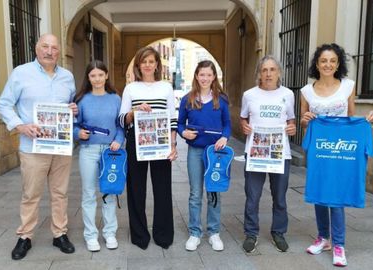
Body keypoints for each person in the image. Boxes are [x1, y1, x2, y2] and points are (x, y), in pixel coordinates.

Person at [0, 34, 78, 260]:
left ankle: (59, 233)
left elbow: (71, 106)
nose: (49, 51)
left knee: (60, 193)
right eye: (45, 46)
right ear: (36, 48)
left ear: (59, 52)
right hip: (32, 147)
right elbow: (4, 104)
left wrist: (73, 109)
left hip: (60, 147)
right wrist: (20, 126)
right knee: (31, 193)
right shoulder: (21, 73)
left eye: (54, 47)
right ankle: (25, 236)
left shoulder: (67, 77)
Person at [300, 43, 373, 267]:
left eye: (332, 61)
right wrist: (305, 120)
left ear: (338, 64)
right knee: (319, 192)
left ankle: (339, 244)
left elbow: (350, 119)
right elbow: (305, 122)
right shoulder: (306, 91)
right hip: (320, 150)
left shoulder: (348, 86)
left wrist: (365, 121)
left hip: (341, 151)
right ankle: (323, 237)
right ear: (317, 63)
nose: (328, 64)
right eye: (324, 61)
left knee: (337, 196)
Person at [118, 46, 178, 250]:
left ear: (157, 65)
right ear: (138, 65)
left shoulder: (166, 87)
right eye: (143, 61)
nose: (147, 65)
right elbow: (121, 119)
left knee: (162, 189)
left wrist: (173, 145)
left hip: (160, 142)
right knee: (136, 189)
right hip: (136, 141)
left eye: (151, 61)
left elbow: (172, 118)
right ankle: (139, 235)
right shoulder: (131, 88)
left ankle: (163, 235)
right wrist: (134, 112)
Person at [239, 55, 297, 253]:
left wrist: (292, 129)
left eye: (272, 69)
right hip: (255, 153)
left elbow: (291, 121)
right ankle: (251, 233)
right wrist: (244, 127)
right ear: (259, 73)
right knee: (252, 196)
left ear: (279, 72)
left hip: (280, 154)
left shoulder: (288, 94)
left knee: (279, 196)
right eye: (265, 70)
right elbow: (243, 119)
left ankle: (278, 232)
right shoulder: (249, 95)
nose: (269, 73)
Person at [177, 60, 231, 252]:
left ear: (214, 77)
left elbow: (227, 124)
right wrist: (184, 133)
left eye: (209, 75)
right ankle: (195, 232)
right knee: (195, 193)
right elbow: (180, 124)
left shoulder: (221, 100)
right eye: (202, 74)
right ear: (196, 76)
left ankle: (214, 232)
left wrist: (225, 137)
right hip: (195, 151)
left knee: (214, 191)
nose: (205, 78)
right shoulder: (187, 99)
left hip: (215, 153)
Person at [73, 60, 125, 252]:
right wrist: (78, 134)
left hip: (111, 153)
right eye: (93, 75)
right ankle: (90, 235)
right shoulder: (81, 99)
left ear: (106, 75)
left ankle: (109, 233)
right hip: (88, 151)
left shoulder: (115, 99)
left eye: (100, 75)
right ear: (88, 78)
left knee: (109, 193)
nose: (97, 79)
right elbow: (73, 125)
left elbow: (121, 125)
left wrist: (119, 140)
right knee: (88, 193)